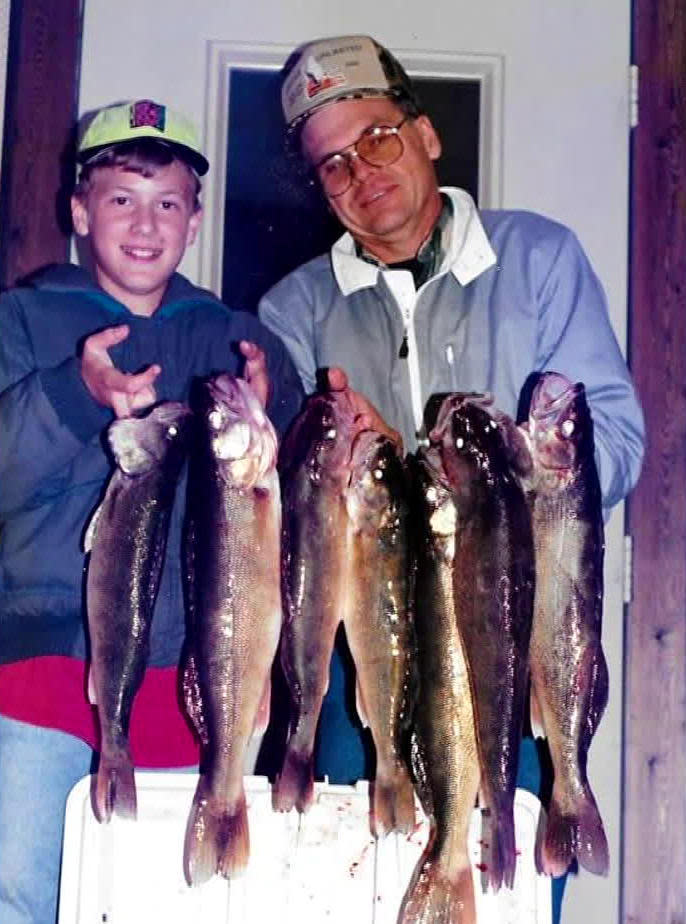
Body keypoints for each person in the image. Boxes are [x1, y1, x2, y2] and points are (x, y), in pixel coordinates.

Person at [258, 34, 645, 922]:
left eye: (380, 138)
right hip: (370, 674)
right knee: (350, 896)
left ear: (427, 135)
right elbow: (287, 519)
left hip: (515, 646)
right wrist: (342, 471)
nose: (363, 173)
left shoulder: (540, 260)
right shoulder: (291, 311)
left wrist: (501, 475)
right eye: (334, 166)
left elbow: (617, 440)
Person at [0, 98, 304, 924]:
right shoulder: (19, 322)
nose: (145, 223)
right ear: (78, 211)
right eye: (121, 198)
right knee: (19, 895)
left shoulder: (239, 340)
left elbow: (300, 515)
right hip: (39, 667)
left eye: (168, 202)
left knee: (163, 905)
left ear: (195, 220)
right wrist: (72, 394)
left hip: (196, 671)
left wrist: (278, 428)